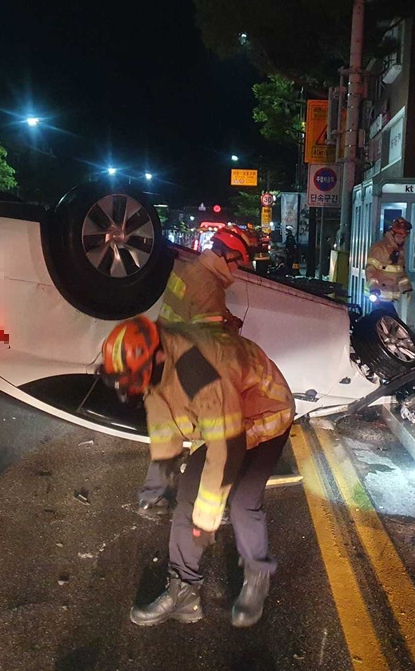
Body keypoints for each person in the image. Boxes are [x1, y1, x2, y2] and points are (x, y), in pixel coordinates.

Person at [99, 316, 294, 628]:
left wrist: (205, 522)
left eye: (132, 379)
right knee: (188, 495)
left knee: (243, 501)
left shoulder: (198, 370)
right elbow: (163, 422)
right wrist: (158, 481)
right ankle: (184, 594)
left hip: (264, 413)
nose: (130, 387)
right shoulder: (156, 363)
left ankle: (258, 576)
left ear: (157, 357)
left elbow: (227, 448)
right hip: (224, 415)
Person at [137, 225, 256, 518]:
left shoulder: (187, 269)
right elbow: (210, 343)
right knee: (212, 437)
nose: (237, 268)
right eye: (237, 262)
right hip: (191, 370)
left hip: (165, 360)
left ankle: (152, 498)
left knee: (167, 434)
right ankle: (203, 506)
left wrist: (223, 318)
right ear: (227, 255)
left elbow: (188, 313)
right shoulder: (210, 287)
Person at [365, 217, 413, 312]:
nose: (401, 240)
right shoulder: (379, 249)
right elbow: (371, 271)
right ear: (392, 234)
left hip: (389, 298)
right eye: (399, 236)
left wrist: (406, 288)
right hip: (378, 296)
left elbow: (400, 272)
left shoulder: (399, 251)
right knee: (386, 319)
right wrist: (374, 290)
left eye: (403, 237)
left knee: (388, 320)